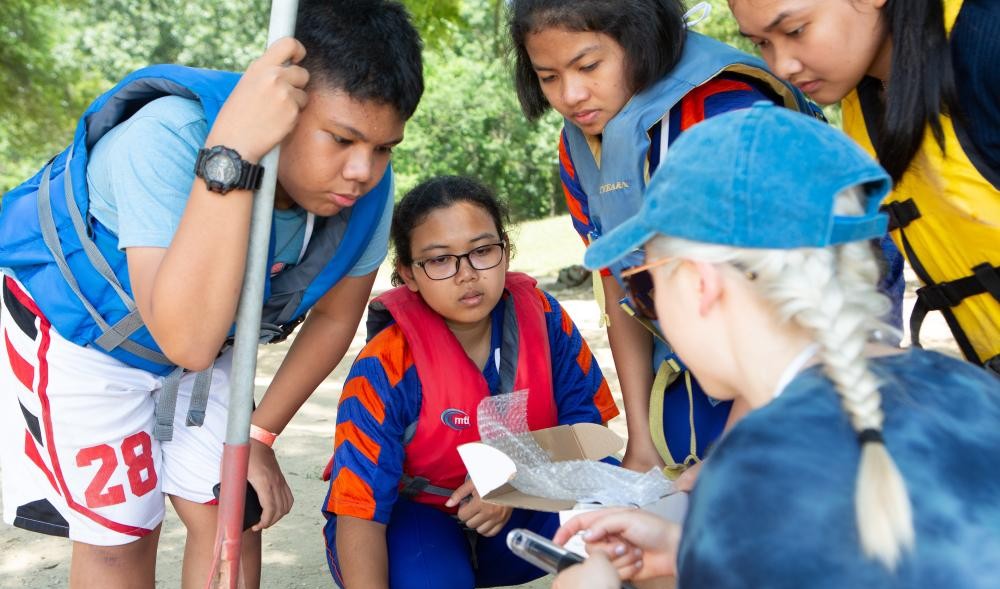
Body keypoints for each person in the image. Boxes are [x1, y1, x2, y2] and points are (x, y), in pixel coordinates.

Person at [0, 1, 423, 587]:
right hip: (87, 335)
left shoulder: (367, 189)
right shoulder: (166, 138)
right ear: (282, 101)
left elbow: (333, 319)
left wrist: (258, 436)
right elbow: (189, 341)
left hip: (210, 338)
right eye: (343, 139)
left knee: (234, 512)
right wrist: (234, 155)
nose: (362, 170)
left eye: (384, 148)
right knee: (122, 533)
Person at [547, 104, 1000, 589]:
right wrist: (693, 554)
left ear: (701, 284)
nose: (646, 308)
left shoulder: (750, 479)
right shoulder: (969, 386)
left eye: (644, 287)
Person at [508, 0, 904, 481]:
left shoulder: (728, 119)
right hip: (697, 368)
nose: (571, 94)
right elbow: (615, 281)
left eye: (589, 65)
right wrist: (641, 443)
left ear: (640, 38)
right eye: (548, 76)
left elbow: (789, 311)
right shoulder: (580, 146)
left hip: (793, 361)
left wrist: (729, 458)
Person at [321, 176, 620, 589]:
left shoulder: (544, 318)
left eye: (481, 251)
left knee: (620, 498)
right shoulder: (384, 365)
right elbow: (359, 508)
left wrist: (513, 478)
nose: (466, 274)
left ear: (506, 251)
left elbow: (590, 438)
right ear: (409, 273)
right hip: (417, 523)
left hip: (518, 519)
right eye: (440, 260)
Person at [729, 0, 1000, 374]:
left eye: (795, 31)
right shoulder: (866, 91)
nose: (782, 66)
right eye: (762, 43)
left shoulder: (986, 47)